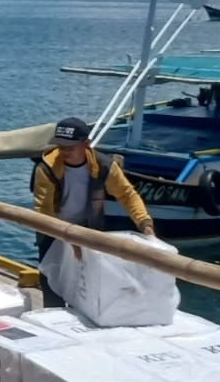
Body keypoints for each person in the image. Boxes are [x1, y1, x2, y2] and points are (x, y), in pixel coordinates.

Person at [31, 116, 154, 306]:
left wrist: (145, 223)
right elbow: (44, 212)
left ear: (86, 144)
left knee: (85, 289)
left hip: (88, 232)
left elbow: (127, 195)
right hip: (53, 233)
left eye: (69, 147)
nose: (63, 152)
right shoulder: (46, 168)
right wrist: (71, 239)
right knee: (52, 287)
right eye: (60, 146)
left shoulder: (104, 166)